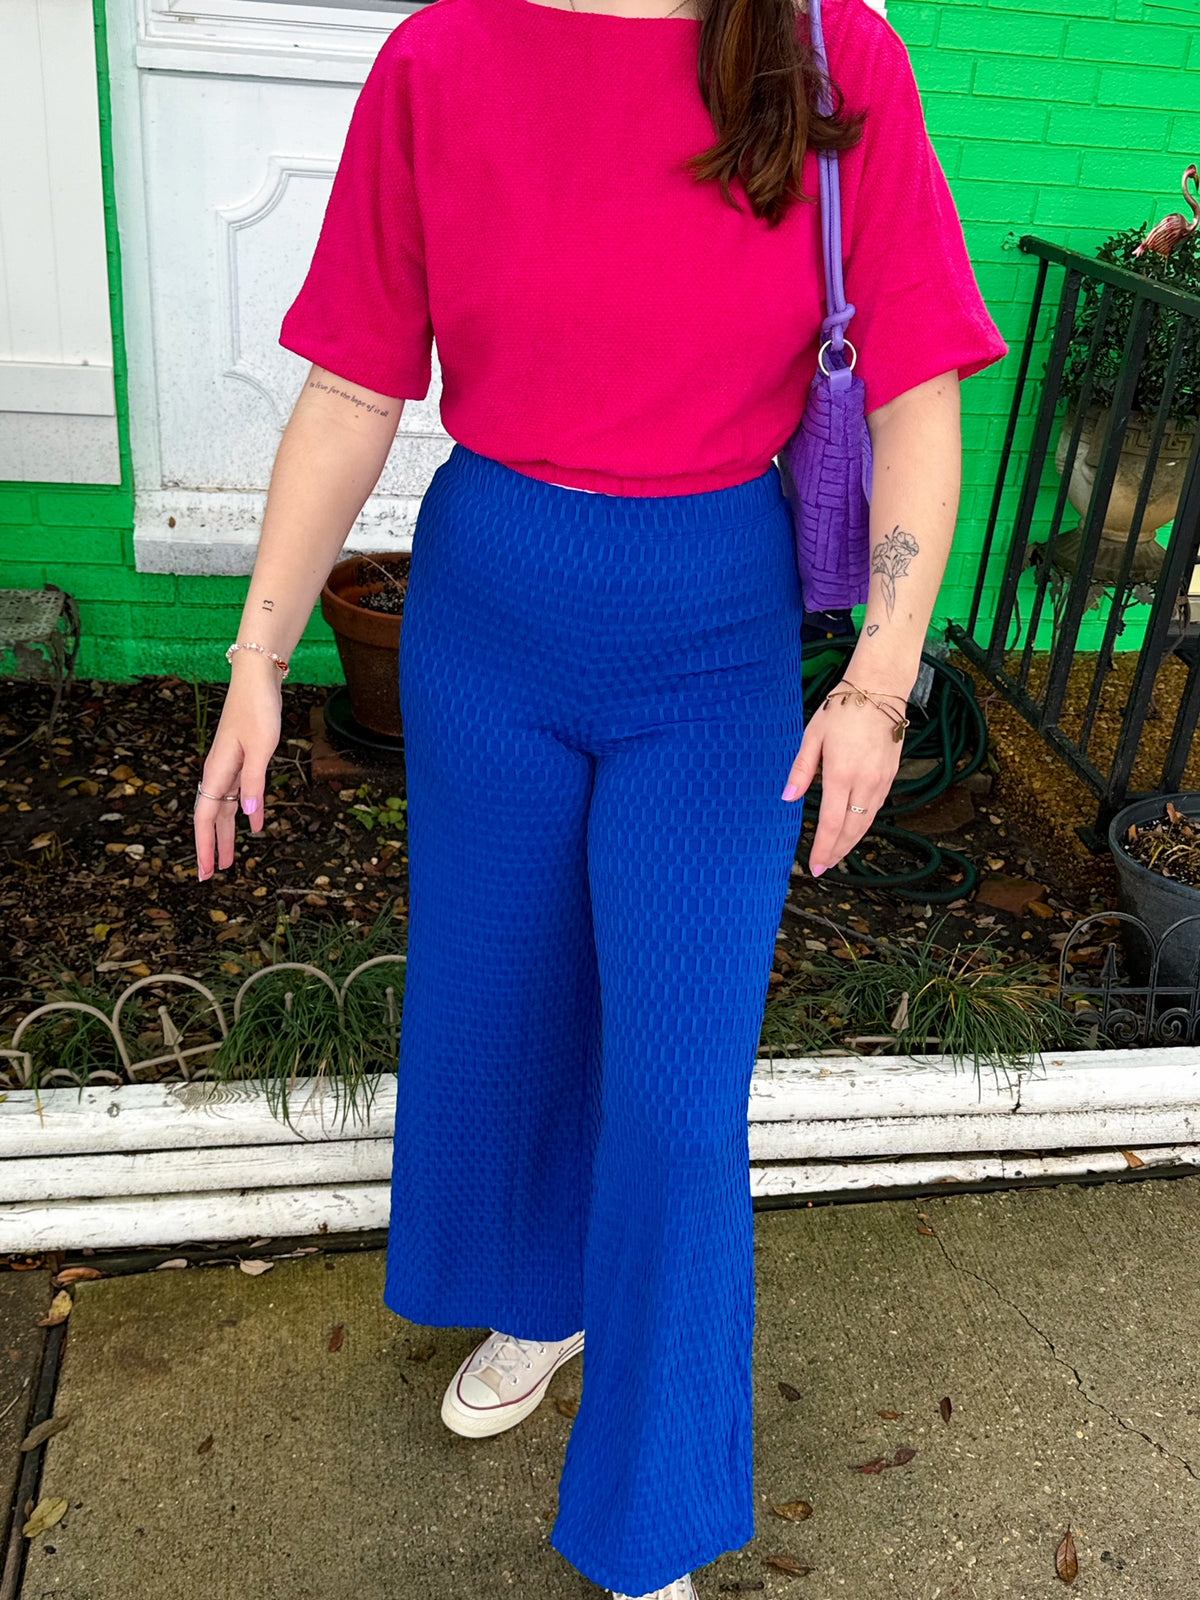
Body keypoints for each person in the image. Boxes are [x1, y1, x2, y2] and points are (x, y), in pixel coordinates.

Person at [193, 0, 1008, 1590]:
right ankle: (548, 1296)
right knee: (511, 1006)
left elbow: (916, 385)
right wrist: (257, 657)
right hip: (489, 615)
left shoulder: (832, 49)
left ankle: (651, 1507)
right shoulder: (442, 59)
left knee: (680, 1097)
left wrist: (880, 677)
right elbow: (355, 386)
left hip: (712, 637)